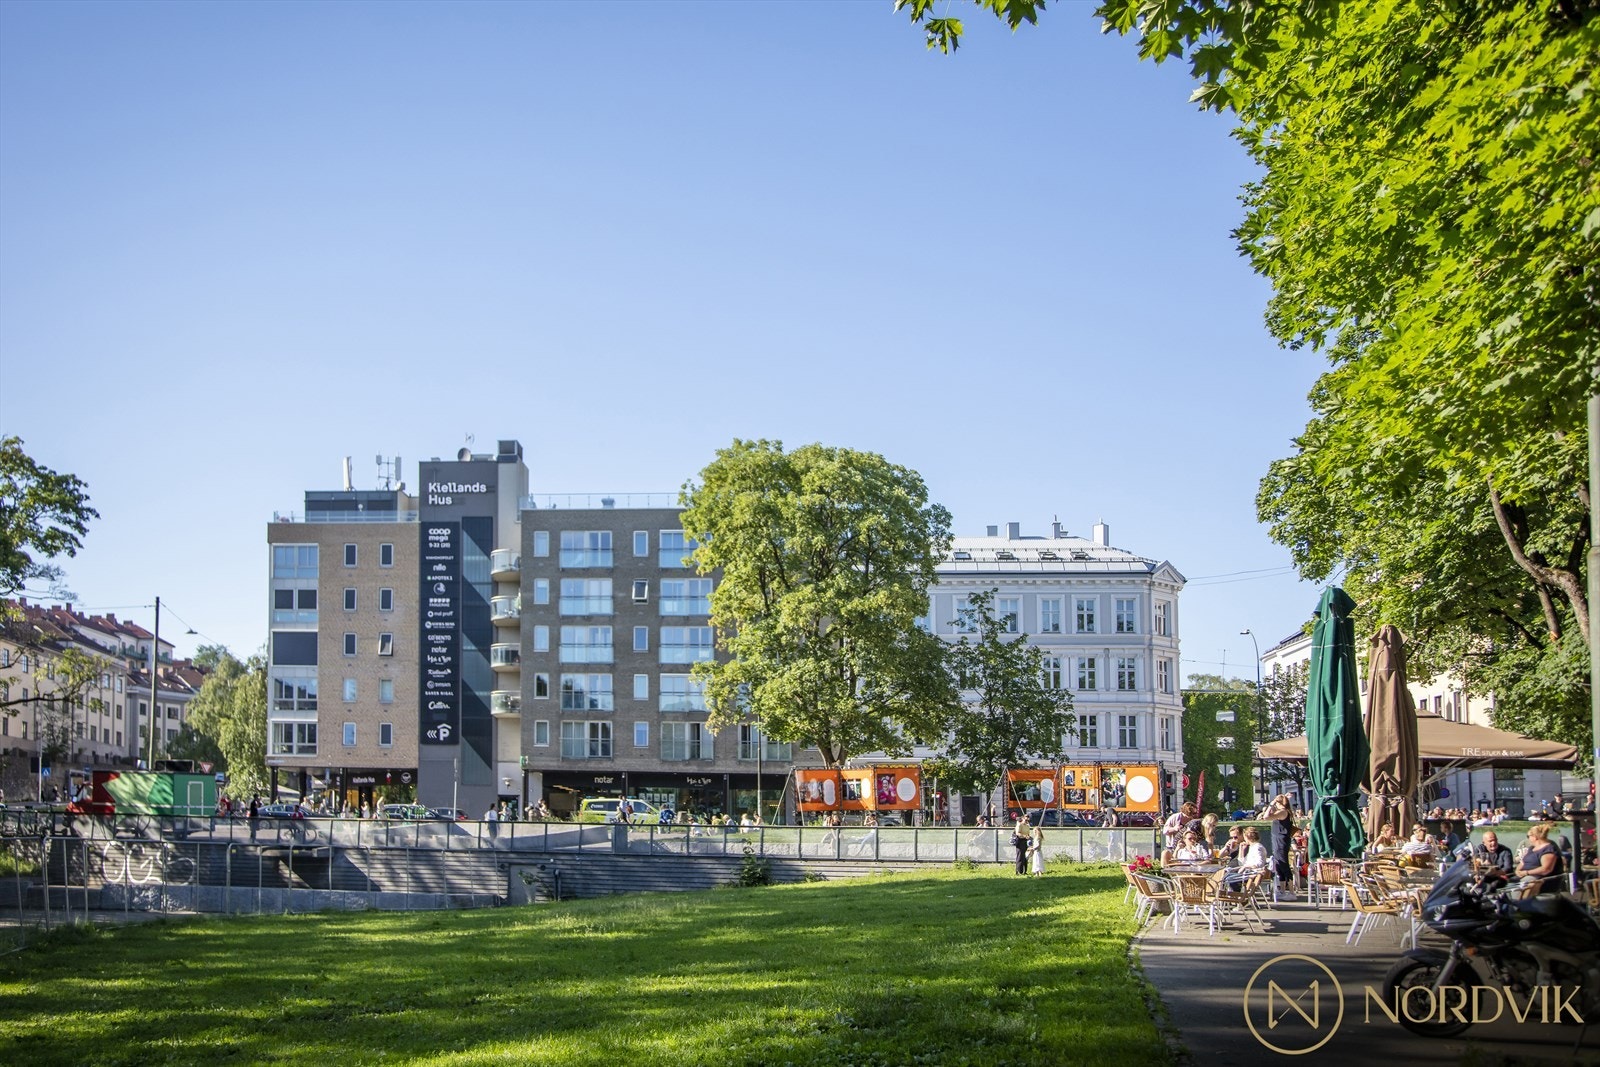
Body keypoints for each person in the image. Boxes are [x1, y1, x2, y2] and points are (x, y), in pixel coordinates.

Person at [1519, 823, 1565, 894]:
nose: (1528, 839)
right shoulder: (1531, 848)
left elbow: (1546, 869)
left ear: (1534, 837)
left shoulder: (1549, 849)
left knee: (1529, 884)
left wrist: (1526, 872)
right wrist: (1517, 871)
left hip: (1539, 879)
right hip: (1524, 876)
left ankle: (1518, 903)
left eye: (1528, 836)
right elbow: (1522, 862)